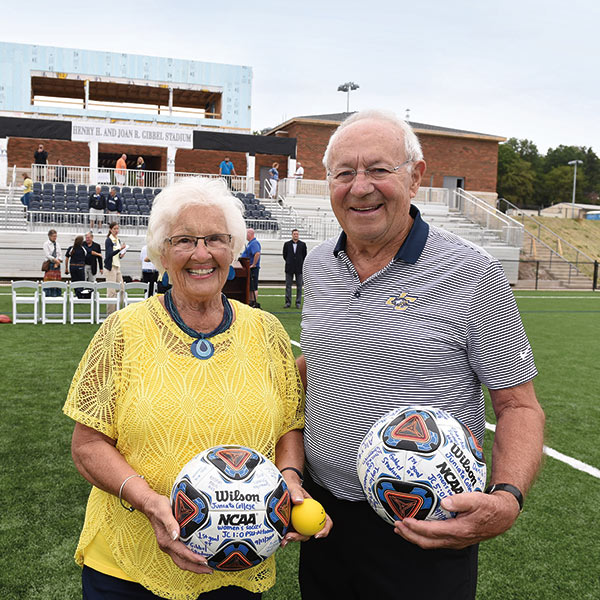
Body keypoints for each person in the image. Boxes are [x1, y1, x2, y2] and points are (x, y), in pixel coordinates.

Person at [297, 110, 545, 600]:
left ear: (415, 176)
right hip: (324, 521)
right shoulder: (319, 265)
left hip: (427, 524)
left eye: (379, 170)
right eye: (344, 173)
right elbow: (325, 362)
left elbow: (518, 405)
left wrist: (508, 497)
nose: (360, 187)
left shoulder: (473, 272)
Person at [63, 177, 331, 600]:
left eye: (215, 240)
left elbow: (288, 428)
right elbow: (88, 445)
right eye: (184, 240)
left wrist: (290, 481)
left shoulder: (268, 332)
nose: (201, 254)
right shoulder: (122, 331)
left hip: (236, 567)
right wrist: (151, 503)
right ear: (162, 252)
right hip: (127, 568)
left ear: (234, 248)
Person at [104, 222, 127, 314]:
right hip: (111, 267)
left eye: (117, 229)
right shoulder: (109, 240)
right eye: (114, 229)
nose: (116, 231)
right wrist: (119, 249)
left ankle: (119, 310)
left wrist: (121, 254)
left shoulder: (118, 240)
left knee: (122, 288)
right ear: (110, 229)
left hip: (117, 266)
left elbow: (117, 255)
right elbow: (109, 254)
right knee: (111, 291)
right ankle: (110, 313)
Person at [282, 229, 307, 309]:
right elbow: (285, 255)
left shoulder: (302, 244)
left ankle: (298, 302)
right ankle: (288, 302)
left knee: (299, 286)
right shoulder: (287, 244)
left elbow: (304, 256)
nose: (296, 235)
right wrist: (290, 261)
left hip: (299, 268)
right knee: (288, 286)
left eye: (297, 234)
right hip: (289, 268)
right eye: (294, 234)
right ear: (292, 235)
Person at [241, 228, 261, 307]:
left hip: (253, 268)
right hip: (249, 267)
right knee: (250, 286)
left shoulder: (254, 243)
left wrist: (253, 264)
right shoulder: (250, 243)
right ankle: (250, 302)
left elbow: (257, 253)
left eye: (246, 234)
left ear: (250, 234)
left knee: (253, 286)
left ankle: (254, 302)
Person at [42, 229, 63, 297]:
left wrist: (58, 261)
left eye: (56, 236)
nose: (55, 238)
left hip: (57, 264)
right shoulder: (46, 244)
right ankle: (48, 294)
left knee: (57, 279)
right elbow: (47, 255)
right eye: (53, 236)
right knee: (49, 279)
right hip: (50, 263)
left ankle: (56, 294)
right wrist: (55, 260)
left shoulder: (57, 244)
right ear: (49, 236)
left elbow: (60, 254)